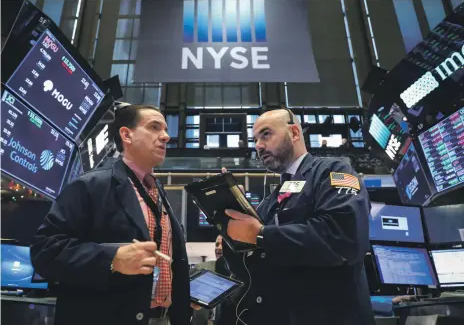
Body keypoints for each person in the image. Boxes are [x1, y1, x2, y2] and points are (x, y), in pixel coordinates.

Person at [30, 104, 191, 325]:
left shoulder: (158, 192)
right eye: (154, 127)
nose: (165, 136)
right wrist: (112, 259)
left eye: (164, 129)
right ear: (126, 135)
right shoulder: (90, 185)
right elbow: (45, 251)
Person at [222, 109, 375, 325]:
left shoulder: (336, 172)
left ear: (294, 133)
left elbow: (344, 237)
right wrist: (231, 238)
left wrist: (261, 234)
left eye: (266, 134)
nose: (258, 145)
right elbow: (252, 264)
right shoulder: (273, 198)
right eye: (255, 139)